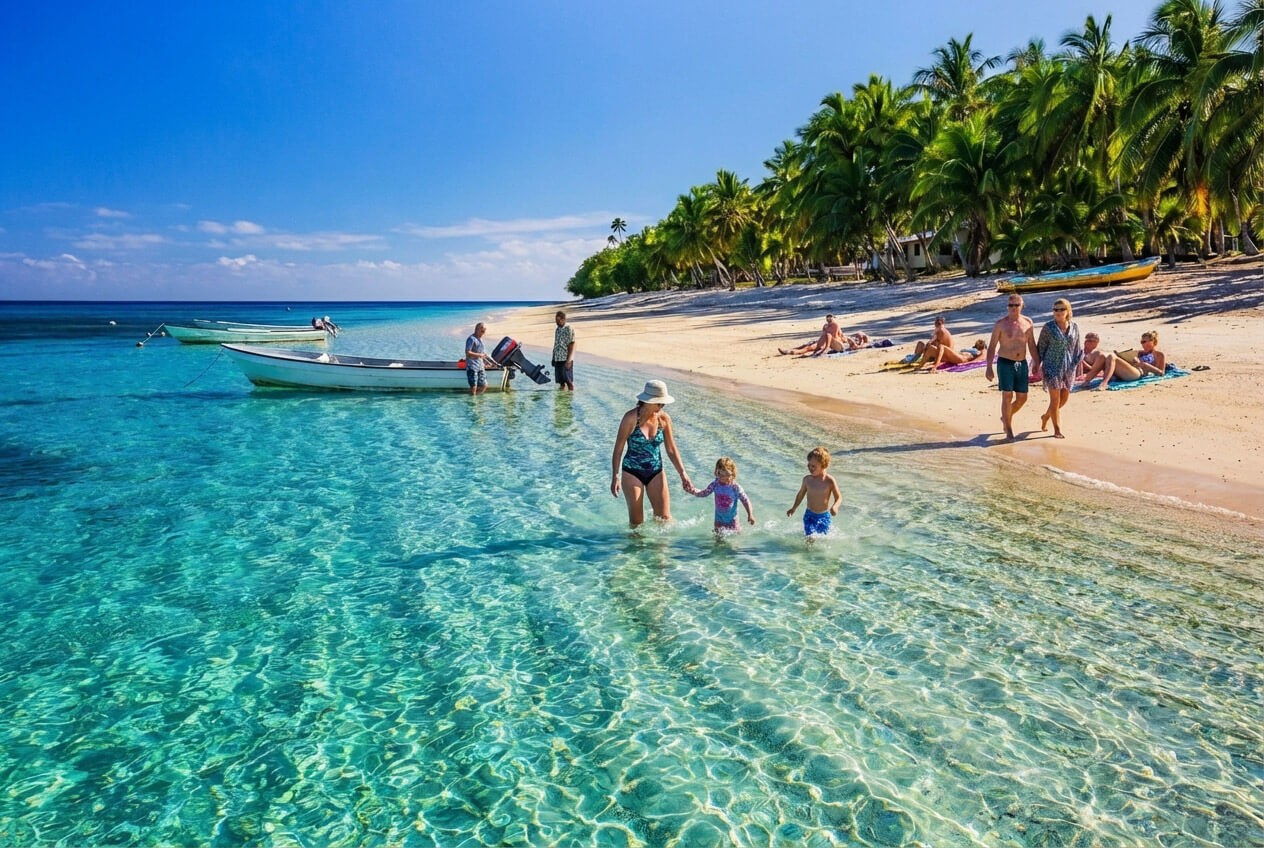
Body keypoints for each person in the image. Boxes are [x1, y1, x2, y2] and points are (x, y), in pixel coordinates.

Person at [611, 380, 693, 526]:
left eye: (663, 403)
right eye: (658, 403)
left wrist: (683, 473)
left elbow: (671, 449)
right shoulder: (630, 419)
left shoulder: (664, 419)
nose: (661, 406)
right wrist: (615, 476)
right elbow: (618, 449)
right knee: (637, 524)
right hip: (632, 472)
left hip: (656, 471)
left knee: (664, 520)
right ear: (646, 401)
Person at [986, 294, 1040, 441]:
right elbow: (991, 347)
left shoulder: (1028, 322)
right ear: (1007, 307)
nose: (1014, 308)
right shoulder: (1000, 324)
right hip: (1005, 362)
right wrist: (989, 367)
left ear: (1022, 306)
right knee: (1007, 395)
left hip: (1021, 363)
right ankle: (1009, 430)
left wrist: (1036, 363)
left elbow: (1032, 345)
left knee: (1022, 397)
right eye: (1011, 305)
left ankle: (1005, 417)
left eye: (1017, 305)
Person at [1033, 298, 1083, 439]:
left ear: (1068, 311)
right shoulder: (1048, 327)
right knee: (1055, 400)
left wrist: (1077, 365)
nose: (1059, 312)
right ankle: (1057, 430)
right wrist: (1037, 365)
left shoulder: (1074, 327)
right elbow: (1041, 347)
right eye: (1056, 309)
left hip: (1069, 367)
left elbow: (1077, 347)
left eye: (1062, 309)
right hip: (1051, 366)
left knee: (1064, 399)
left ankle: (1046, 416)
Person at [688, 457, 756, 533]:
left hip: (732, 521)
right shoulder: (715, 484)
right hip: (718, 520)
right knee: (717, 540)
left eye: (724, 474)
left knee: (734, 541)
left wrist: (750, 515)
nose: (720, 477)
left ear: (731, 474)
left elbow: (746, 501)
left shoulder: (735, 487)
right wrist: (693, 491)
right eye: (719, 474)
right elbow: (704, 493)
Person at [786, 446, 841, 537]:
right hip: (809, 515)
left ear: (824, 465)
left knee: (823, 539)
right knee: (809, 537)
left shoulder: (829, 481)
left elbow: (839, 497)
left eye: (813, 466)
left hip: (823, 516)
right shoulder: (807, 480)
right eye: (809, 465)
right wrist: (794, 508)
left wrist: (835, 507)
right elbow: (800, 495)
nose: (810, 468)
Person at [778, 314, 842, 356]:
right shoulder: (826, 326)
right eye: (828, 319)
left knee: (807, 348)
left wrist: (825, 348)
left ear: (833, 318)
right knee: (805, 345)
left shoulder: (835, 326)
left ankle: (791, 352)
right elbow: (823, 335)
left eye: (830, 319)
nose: (829, 320)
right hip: (821, 342)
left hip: (824, 344)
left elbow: (832, 337)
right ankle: (789, 350)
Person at [464, 322, 496, 395]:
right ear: (477, 329)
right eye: (482, 331)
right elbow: (467, 352)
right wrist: (480, 355)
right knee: (473, 387)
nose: (483, 333)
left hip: (480, 366)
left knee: (484, 385)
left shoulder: (481, 339)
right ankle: (473, 402)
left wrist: (490, 362)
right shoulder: (471, 339)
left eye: (484, 331)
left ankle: (476, 399)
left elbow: (482, 354)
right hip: (472, 366)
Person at [551, 310, 575, 391]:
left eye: (558, 321)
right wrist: (553, 358)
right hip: (558, 357)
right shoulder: (557, 329)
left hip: (565, 358)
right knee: (560, 381)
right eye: (556, 321)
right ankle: (560, 399)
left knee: (568, 381)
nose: (556, 323)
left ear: (563, 319)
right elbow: (556, 344)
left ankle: (570, 398)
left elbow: (571, 344)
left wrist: (569, 360)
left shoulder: (568, 328)